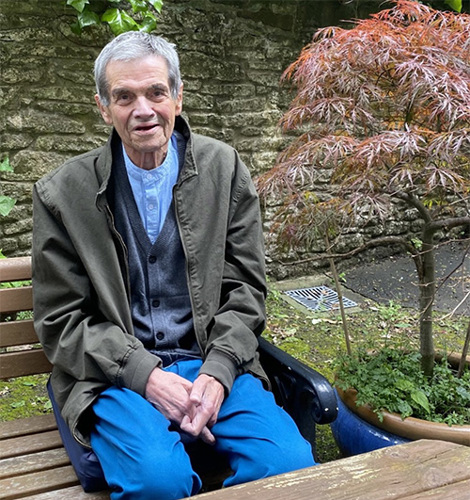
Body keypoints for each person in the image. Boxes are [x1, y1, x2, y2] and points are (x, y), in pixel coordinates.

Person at [32, 31, 315, 500]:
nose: (142, 109)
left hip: (213, 362)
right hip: (114, 376)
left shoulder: (224, 169)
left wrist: (219, 370)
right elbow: (61, 321)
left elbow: (245, 288)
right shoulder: (62, 194)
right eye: (124, 96)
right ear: (104, 108)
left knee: (289, 466)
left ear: (178, 97)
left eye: (156, 92)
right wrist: (145, 375)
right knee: (156, 482)